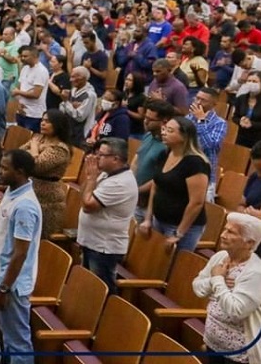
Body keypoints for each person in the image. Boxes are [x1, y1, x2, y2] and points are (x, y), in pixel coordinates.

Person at [0, 149, 42, 364]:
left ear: (20, 172)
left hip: (11, 286)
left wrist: (4, 289)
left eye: (4, 168)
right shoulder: (12, 191)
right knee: (9, 338)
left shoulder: (25, 206)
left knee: (19, 343)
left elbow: (20, 253)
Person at [191, 213, 261, 364]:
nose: (223, 235)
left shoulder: (255, 272)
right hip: (212, 343)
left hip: (238, 355)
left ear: (249, 243)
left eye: (231, 232)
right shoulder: (220, 257)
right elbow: (197, 287)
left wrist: (217, 280)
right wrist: (214, 281)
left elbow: (236, 311)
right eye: (224, 229)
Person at [77, 138, 139, 294]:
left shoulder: (120, 183)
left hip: (104, 248)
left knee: (100, 291)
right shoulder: (106, 174)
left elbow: (88, 206)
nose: (96, 158)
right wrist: (90, 178)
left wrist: (91, 179)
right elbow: (83, 195)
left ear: (115, 159)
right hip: (92, 242)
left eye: (101, 155)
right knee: (87, 289)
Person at [139, 116, 210, 251]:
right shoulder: (165, 154)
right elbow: (156, 186)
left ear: (184, 136)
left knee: (173, 262)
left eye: (170, 131)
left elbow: (196, 202)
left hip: (182, 227)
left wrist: (179, 233)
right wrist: (148, 218)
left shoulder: (195, 163)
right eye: (164, 129)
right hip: (159, 220)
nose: (164, 133)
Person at [20, 109, 74, 238]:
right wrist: (35, 153)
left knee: (36, 236)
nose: (43, 123)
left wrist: (33, 149)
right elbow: (19, 155)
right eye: (42, 120)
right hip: (29, 188)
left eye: (48, 121)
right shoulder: (39, 138)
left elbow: (37, 166)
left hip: (47, 200)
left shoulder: (60, 148)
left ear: (58, 125)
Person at [132, 99, 176, 222]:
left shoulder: (168, 146)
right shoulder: (148, 135)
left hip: (150, 204)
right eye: (145, 117)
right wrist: (130, 184)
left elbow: (161, 178)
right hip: (135, 198)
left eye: (150, 119)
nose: (145, 121)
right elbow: (136, 160)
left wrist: (137, 190)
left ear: (164, 122)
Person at [188, 88, 228, 202]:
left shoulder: (220, 123)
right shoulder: (189, 118)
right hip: (185, 171)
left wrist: (201, 121)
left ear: (214, 104)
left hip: (205, 176)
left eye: (203, 100)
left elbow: (210, 146)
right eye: (197, 98)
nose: (198, 102)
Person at [12, 46, 49, 133]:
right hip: (21, 111)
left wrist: (18, 92)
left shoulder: (41, 71)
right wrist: (19, 103)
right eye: (22, 56)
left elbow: (36, 94)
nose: (22, 58)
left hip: (34, 114)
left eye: (25, 56)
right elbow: (19, 87)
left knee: (31, 138)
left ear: (35, 56)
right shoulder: (25, 68)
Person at [59, 66, 97, 148]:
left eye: (73, 77)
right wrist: (70, 105)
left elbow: (79, 117)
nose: (70, 80)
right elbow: (62, 108)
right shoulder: (73, 90)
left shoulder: (89, 95)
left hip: (80, 133)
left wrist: (66, 102)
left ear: (82, 78)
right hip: (69, 129)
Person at [233, 73, 261, 149]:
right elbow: (235, 117)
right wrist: (240, 121)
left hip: (258, 138)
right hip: (241, 135)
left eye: (254, 81)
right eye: (249, 81)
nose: (251, 83)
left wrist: (252, 124)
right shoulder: (241, 98)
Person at [123, 72, 148, 137]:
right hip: (125, 127)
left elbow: (140, 116)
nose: (126, 82)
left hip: (135, 132)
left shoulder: (141, 98)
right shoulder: (125, 93)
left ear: (136, 82)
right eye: (126, 79)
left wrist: (125, 110)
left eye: (130, 80)